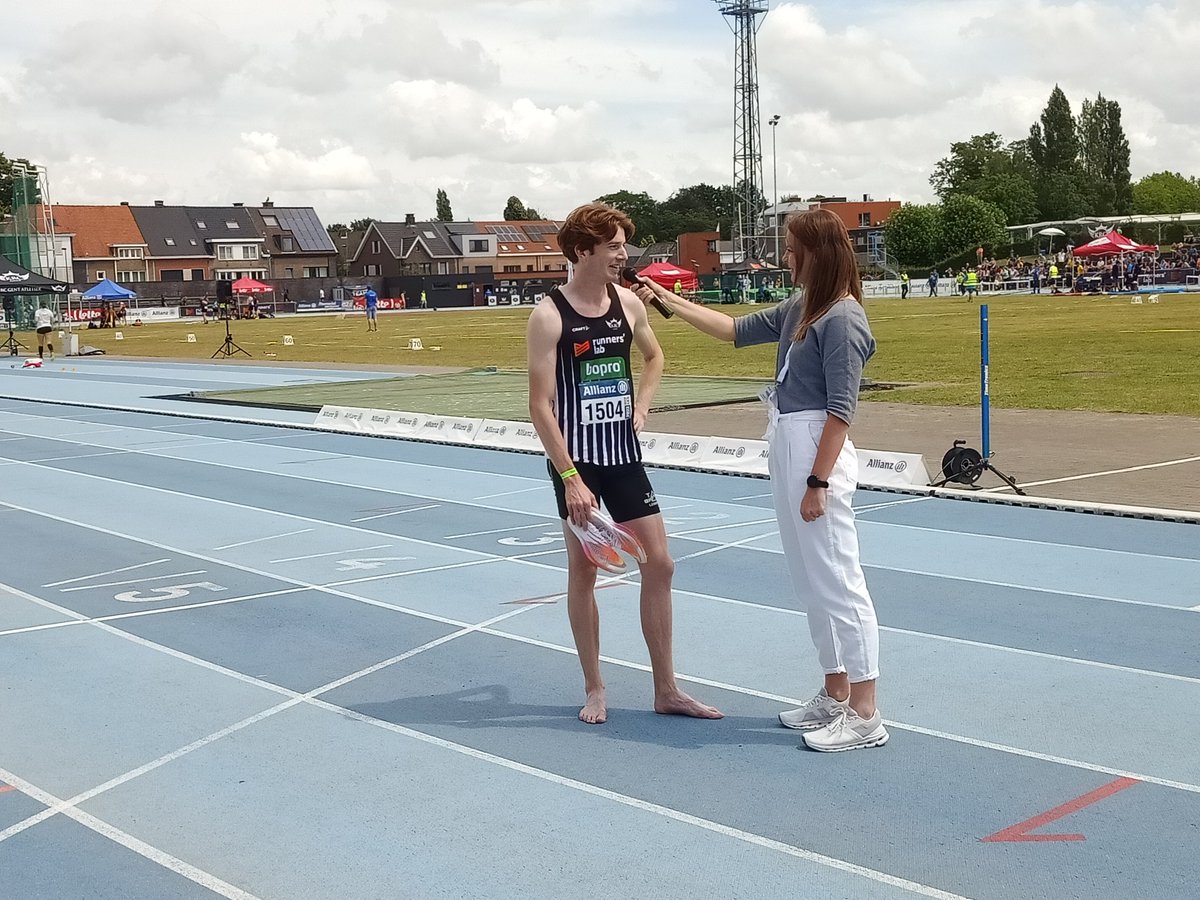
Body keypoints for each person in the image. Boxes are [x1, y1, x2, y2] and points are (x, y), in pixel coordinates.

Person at [631, 207, 886, 753]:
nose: (785, 256)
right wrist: (665, 298)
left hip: (815, 446)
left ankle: (866, 712)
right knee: (810, 579)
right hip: (788, 439)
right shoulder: (803, 306)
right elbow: (733, 330)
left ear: (815, 253)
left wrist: (818, 482)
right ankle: (835, 692)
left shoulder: (843, 318)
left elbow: (841, 410)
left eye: (792, 249)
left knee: (839, 580)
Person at [526, 201, 722, 726]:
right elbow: (539, 406)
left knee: (660, 563)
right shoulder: (549, 315)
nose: (622, 255)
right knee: (584, 570)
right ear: (582, 251)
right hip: (577, 463)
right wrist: (570, 478)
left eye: (622, 246)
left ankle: (666, 689)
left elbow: (654, 357)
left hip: (623, 455)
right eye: (612, 247)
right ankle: (595, 687)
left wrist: (642, 403)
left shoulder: (629, 305)